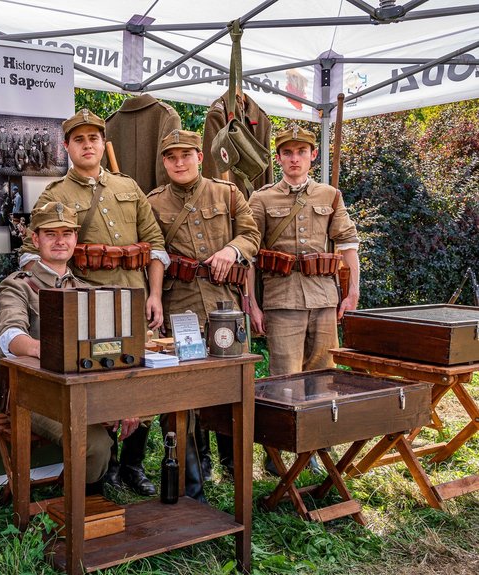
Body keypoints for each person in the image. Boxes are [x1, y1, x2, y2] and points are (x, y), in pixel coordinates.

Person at [20, 108, 169, 496]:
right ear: (66, 146)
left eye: (94, 138)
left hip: (135, 294)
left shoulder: (129, 187)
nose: (88, 145)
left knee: (141, 381)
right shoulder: (56, 195)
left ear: (104, 144)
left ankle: (134, 465)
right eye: (79, 139)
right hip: (91, 302)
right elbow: (30, 250)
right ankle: (108, 465)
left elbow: (155, 244)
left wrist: (155, 294)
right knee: (102, 377)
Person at [146, 129, 260, 497]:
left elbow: (251, 235)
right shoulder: (153, 202)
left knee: (230, 387)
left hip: (224, 305)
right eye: (171, 157)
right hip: (180, 306)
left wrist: (232, 250)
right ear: (164, 162)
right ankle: (190, 476)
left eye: (186, 154)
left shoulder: (227, 193)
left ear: (199, 156)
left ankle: (234, 467)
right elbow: (152, 251)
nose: (179, 162)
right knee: (182, 392)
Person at [246, 124, 359, 472]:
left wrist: (352, 291)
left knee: (324, 376)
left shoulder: (330, 195)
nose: (294, 159)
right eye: (287, 153)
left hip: (324, 297)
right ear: (278, 158)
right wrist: (251, 303)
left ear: (312, 155)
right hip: (282, 300)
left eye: (301, 152)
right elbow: (249, 254)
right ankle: (279, 453)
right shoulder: (262, 198)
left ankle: (317, 448)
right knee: (285, 380)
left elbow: (348, 242)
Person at [0, 202, 129, 493]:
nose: (60, 241)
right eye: (51, 234)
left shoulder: (85, 289)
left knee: (139, 411)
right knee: (93, 444)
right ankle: (75, 504)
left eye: (67, 233)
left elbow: (108, 346)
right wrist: (50, 350)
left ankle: (86, 495)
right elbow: (9, 337)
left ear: (75, 240)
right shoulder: (18, 285)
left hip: (81, 389)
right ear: (36, 239)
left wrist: (123, 402)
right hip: (33, 394)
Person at [202, 89, 273, 198]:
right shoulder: (219, 114)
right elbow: (212, 166)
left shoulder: (262, 120)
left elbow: (267, 167)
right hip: (230, 200)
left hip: (257, 200)